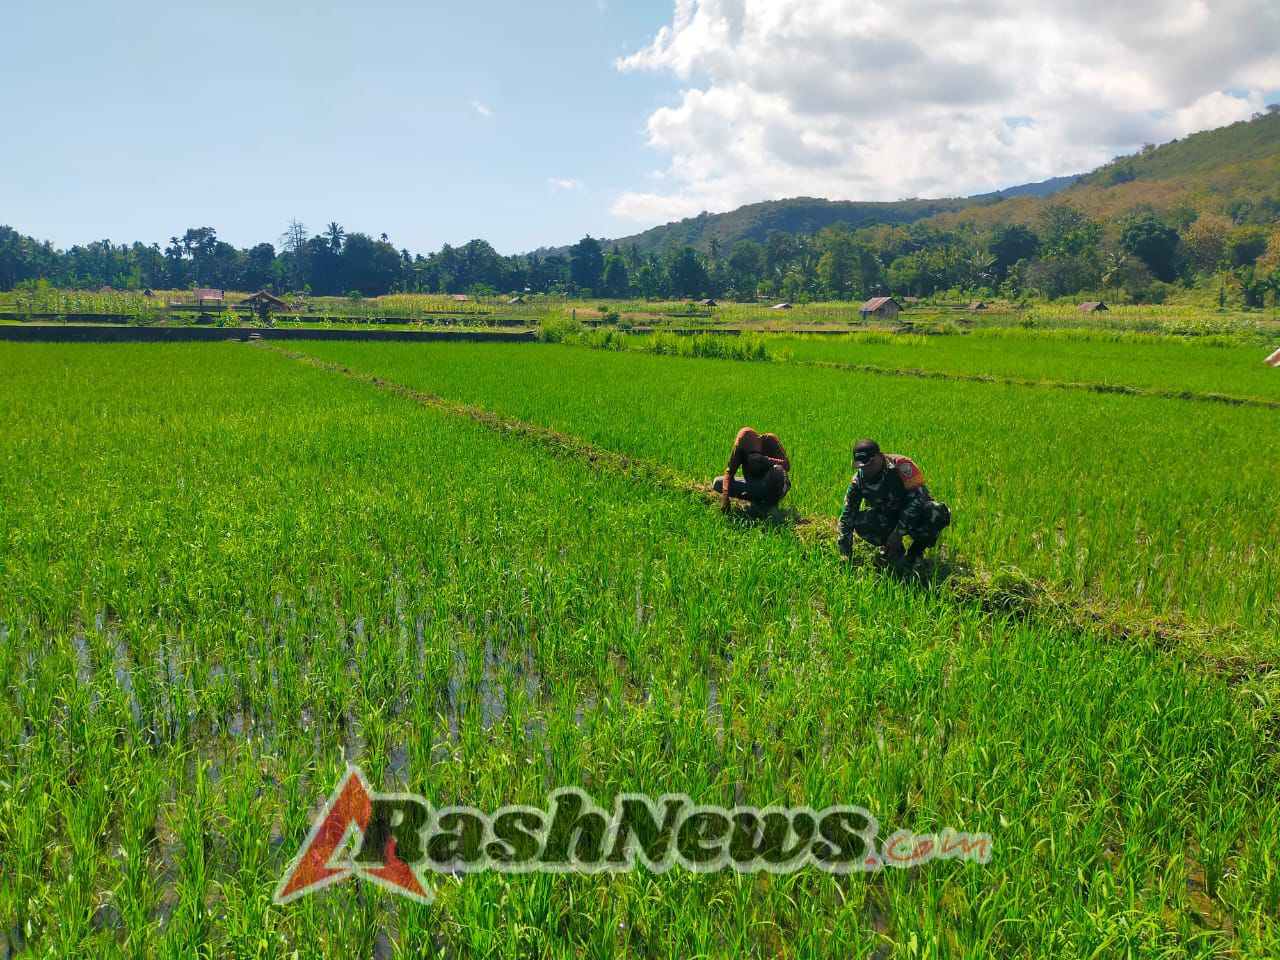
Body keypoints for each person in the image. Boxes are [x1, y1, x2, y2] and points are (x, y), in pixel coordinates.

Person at [837, 438, 950, 568]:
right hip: (887, 517)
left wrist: (898, 533)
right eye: (862, 467)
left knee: (936, 511)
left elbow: (918, 499)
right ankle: (894, 551)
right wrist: (845, 554)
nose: (866, 470)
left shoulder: (903, 466)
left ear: (879, 456)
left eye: (869, 464)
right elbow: (846, 516)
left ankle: (916, 552)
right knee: (860, 521)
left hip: (914, 516)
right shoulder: (858, 480)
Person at [712, 427, 791, 511]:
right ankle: (757, 502)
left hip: (773, 486)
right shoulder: (740, 449)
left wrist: (764, 459)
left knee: (777, 470)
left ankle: (771, 506)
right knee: (717, 482)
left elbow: (786, 465)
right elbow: (729, 472)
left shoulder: (769, 440)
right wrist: (725, 496)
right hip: (753, 486)